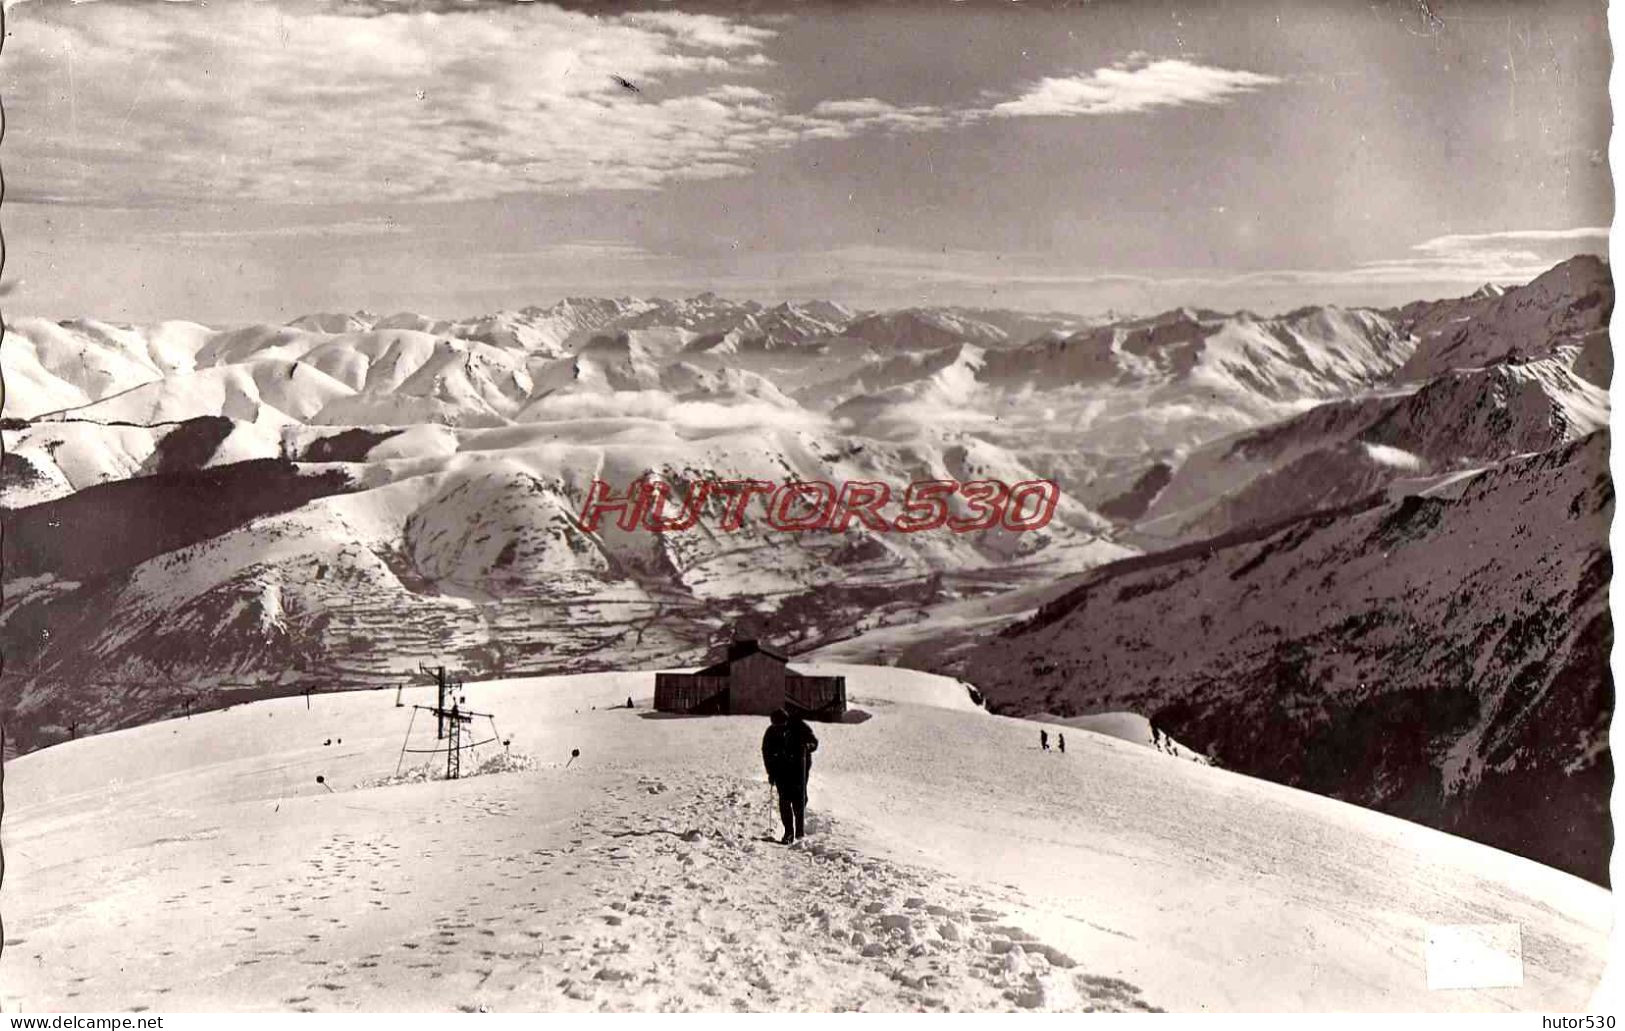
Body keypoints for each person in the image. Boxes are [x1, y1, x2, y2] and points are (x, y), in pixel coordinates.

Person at [762, 708, 819, 844]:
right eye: (777, 726)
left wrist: (808, 746)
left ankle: (799, 832)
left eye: (782, 725)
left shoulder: (799, 726)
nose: (780, 728)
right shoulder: (771, 732)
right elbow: (767, 753)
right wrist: (771, 772)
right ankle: (788, 833)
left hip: (799, 769)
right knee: (785, 801)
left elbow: (814, 742)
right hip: (781, 770)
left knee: (800, 800)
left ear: (787, 721)